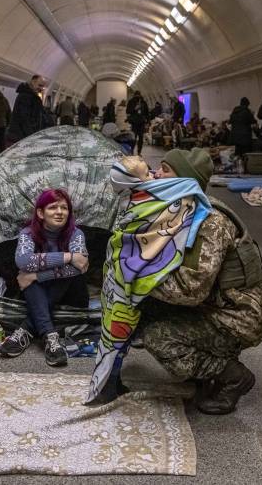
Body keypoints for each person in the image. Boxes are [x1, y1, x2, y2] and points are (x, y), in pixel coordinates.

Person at [138, 148, 262, 414]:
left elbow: (191, 291)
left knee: (156, 337)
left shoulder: (209, 223)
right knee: (144, 311)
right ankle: (210, 362)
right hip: (220, 304)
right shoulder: (187, 210)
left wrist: (138, 280)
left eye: (165, 170)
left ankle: (231, 375)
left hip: (237, 317)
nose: (156, 174)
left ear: (185, 181)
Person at [86, 155, 212, 404]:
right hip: (125, 272)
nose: (155, 174)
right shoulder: (168, 196)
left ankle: (109, 380)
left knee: (115, 330)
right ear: (137, 181)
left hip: (117, 272)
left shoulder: (141, 194)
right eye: (149, 173)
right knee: (118, 329)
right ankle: (108, 384)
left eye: (160, 170)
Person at [0, 188, 89, 367]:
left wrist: (36, 275)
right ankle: (50, 336)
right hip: (39, 293)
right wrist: (68, 257)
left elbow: (80, 269)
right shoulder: (28, 233)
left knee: (34, 278)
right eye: (53, 207)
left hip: (71, 293)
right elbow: (23, 261)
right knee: (29, 279)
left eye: (64, 208)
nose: (59, 212)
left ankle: (25, 329)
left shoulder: (76, 234)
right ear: (41, 213)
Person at [6, 74, 46, 144]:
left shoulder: (31, 96)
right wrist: (31, 136)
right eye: (40, 85)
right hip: (20, 136)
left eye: (42, 86)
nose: (41, 88)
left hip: (24, 135)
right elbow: (24, 118)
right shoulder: (26, 96)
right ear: (33, 82)